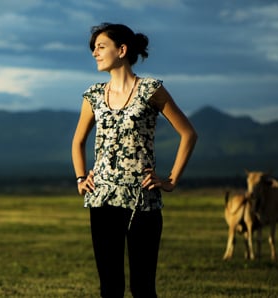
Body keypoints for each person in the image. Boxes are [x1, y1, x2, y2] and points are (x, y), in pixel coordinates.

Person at [71, 23, 197, 297]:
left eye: (101, 46)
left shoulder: (151, 90)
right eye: (93, 48)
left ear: (122, 50)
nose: (94, 52)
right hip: (102, 199)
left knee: (143, 288)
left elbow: (188, 133)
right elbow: (78, 141)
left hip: (143, 202)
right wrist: (82, 178)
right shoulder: (93, 95)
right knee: (110, 288)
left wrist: (171, 180)